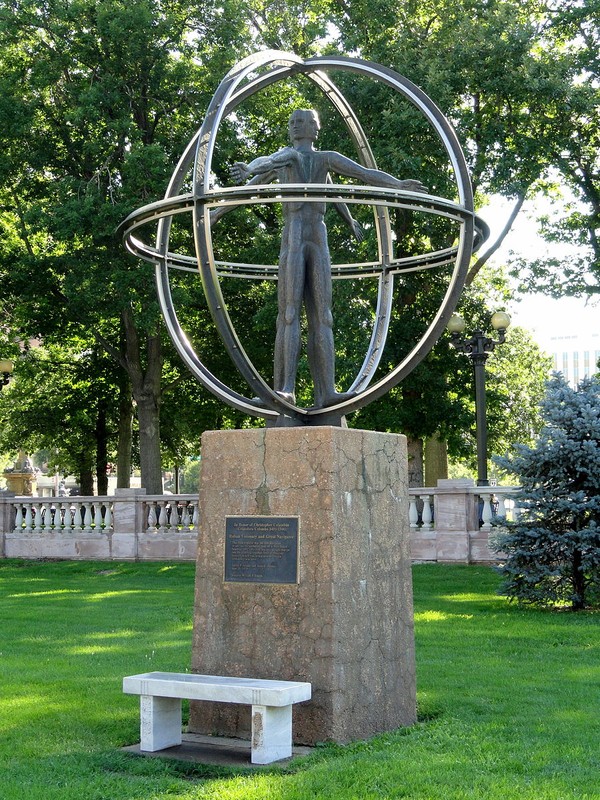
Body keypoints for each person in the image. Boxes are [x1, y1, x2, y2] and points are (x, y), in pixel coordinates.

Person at [230, 108, 427, 408]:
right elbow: (263, 168)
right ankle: (284, 388)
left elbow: (362, 175)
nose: (298, 126)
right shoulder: (285, 157)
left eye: (304, 122)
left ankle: (326, 392)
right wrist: (223, 203)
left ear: (316, 128)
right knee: (289, 312)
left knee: (324, 315)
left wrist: (398, 185)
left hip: (317, 238)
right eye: (293, 122)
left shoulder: (326, 159)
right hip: (294, 236)